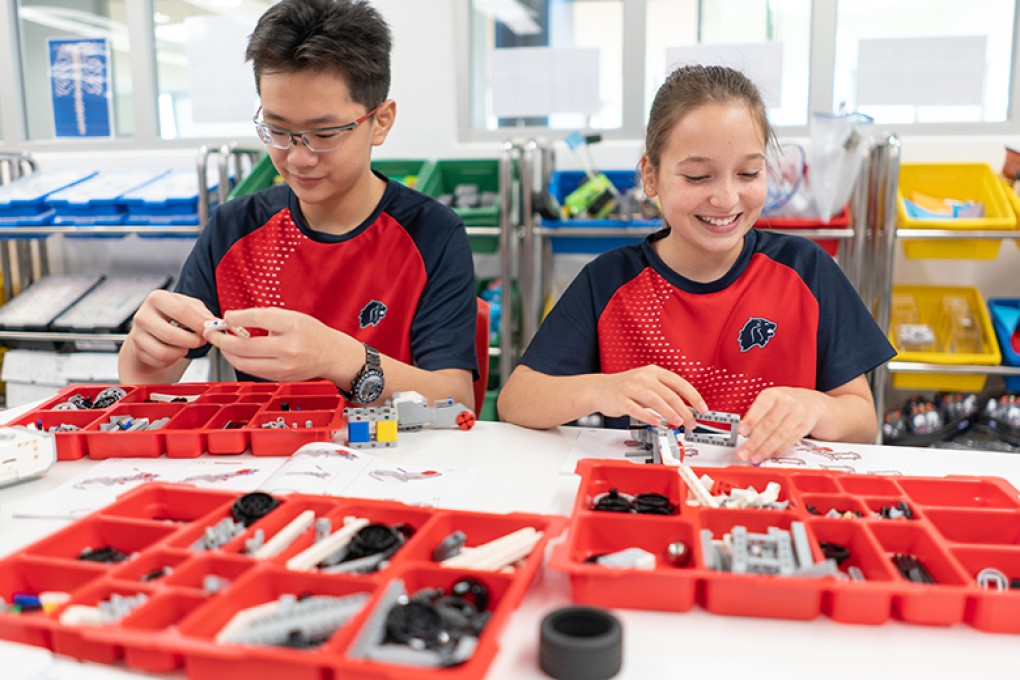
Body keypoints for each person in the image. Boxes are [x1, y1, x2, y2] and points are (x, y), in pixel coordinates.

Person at [497, 64, 895, 462]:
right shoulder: (608, 282)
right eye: (698, 176)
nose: (725, 198)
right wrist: (603, 389)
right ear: (650, 176)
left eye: (748, 173)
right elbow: (516, 400)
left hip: (770, 495)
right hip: (654, 497)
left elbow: (862, 419)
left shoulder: (806, 270)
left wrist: (817, 408)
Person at [118, 0, 478, 409]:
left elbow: (456, 400)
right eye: (277, 130)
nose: (298, 157)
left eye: (324, 134)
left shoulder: (431, 232)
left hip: (392, 456)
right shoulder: (234, 230)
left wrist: (338, 358)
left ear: (380, 121)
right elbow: (149, 384)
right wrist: (143, 349)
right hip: (267, 458)